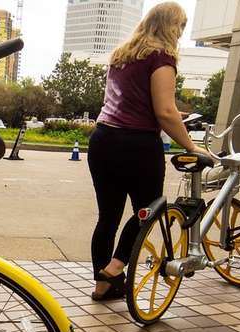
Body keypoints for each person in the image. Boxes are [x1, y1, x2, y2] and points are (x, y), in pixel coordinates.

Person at [88, 2, 212, 301]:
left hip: (103, 139)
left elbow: (132, 101)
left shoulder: (121, 56)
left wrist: (175, 117)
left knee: (108, 218)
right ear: (171, 25)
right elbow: (165, 112)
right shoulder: (161, 57)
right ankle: (114, 269)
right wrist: (192, 146)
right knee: (148, 211)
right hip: (137, 145)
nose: (181, 33)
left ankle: (103, 286)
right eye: (180, 26)